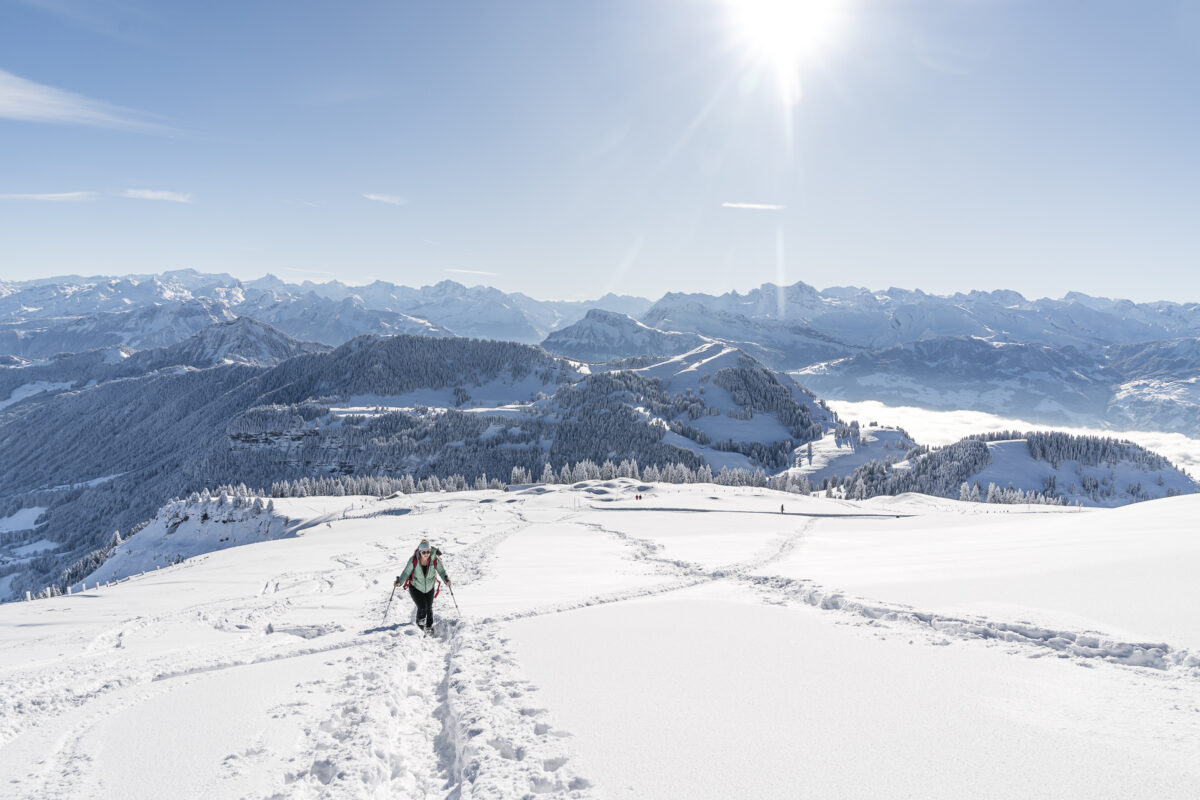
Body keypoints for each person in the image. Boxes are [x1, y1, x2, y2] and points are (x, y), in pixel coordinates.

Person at [395, 539, 451, 634]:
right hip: (415, 587)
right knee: (422, 607)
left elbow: (441, 571)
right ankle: (420, 626)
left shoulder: (434, 559)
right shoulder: (414, 560)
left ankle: (429, 626)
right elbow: (406, 572)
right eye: (424, 552)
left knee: (429, 608)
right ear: (420, 552)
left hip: (429, 587)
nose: (426, 554)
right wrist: (399, 582)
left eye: (428, 552)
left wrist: (446, 579)